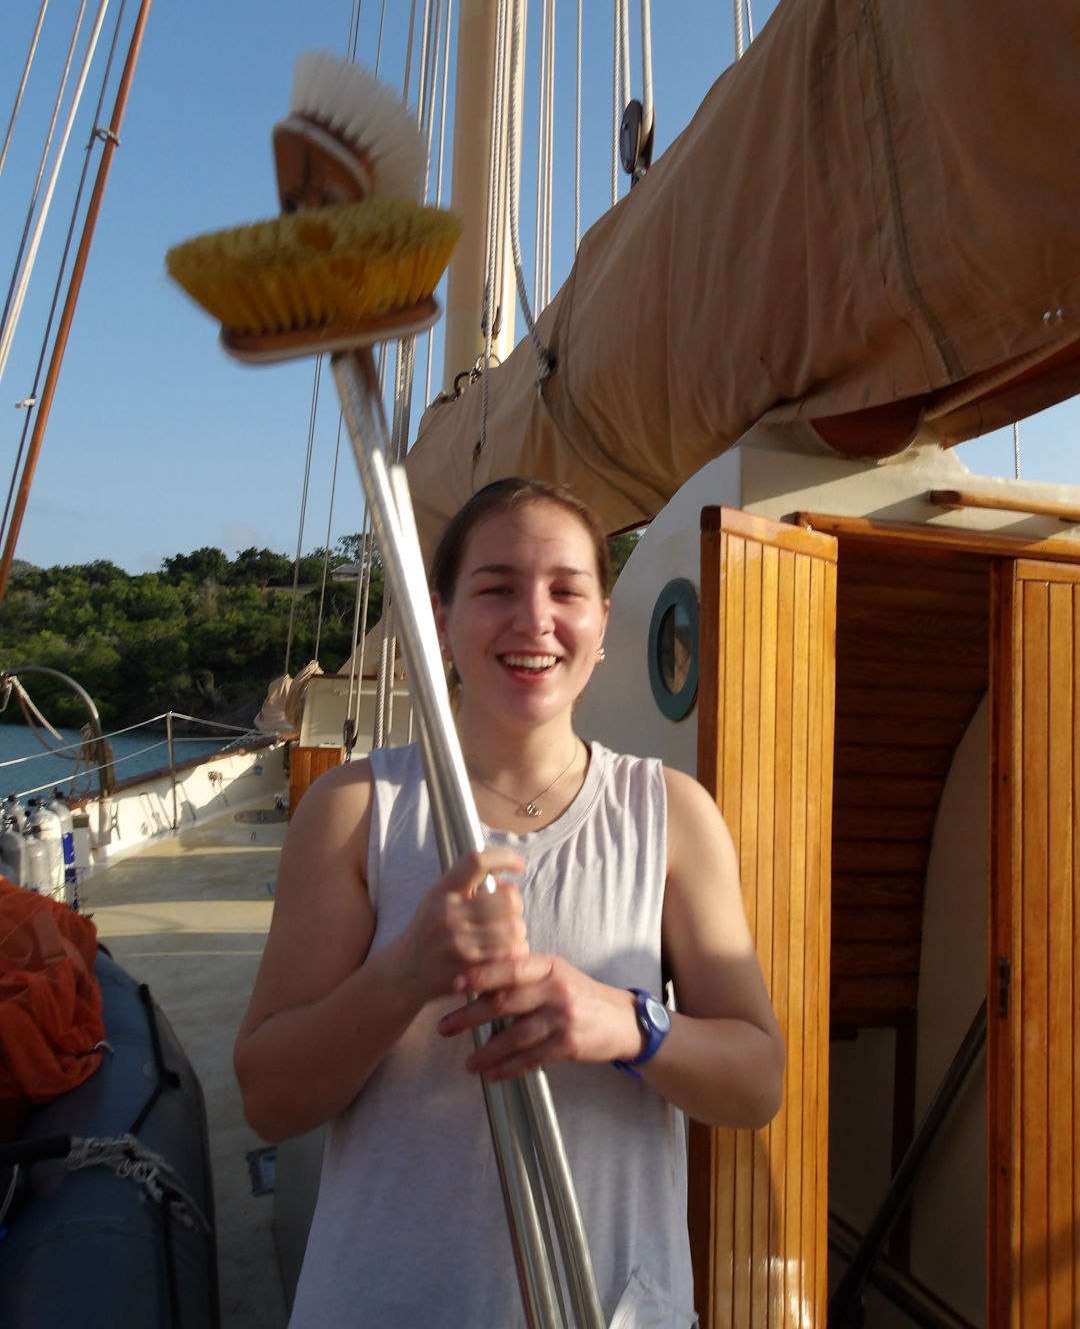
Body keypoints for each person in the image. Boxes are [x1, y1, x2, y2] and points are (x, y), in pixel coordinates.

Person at [234, 478, 784, 1328]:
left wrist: (628, 1023)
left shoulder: (670, 816)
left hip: (611, 1304)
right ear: (441, 618)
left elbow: (757, 1084)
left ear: (603, 624)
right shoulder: (354, 812)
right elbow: (270, 1100)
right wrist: (404, 974)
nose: (535, 619)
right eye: (497, 588)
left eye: (567, 590)